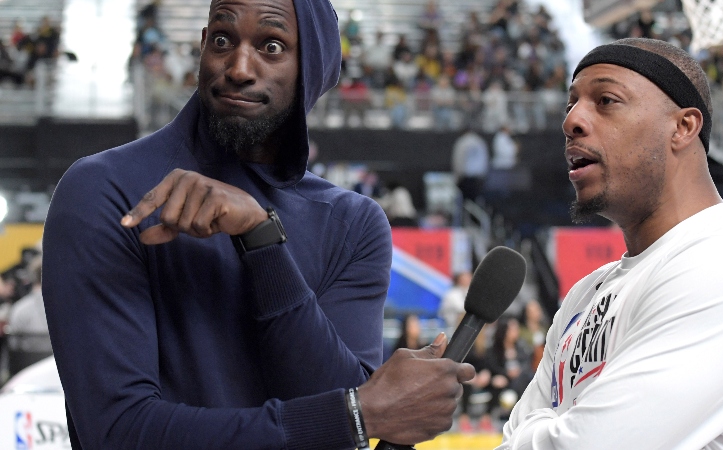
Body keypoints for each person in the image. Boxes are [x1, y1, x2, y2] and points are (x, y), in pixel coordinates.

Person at [42, 1, 474, 449]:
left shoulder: (353, 223)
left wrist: (263, 241)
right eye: (224, 40)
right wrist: (354, 413)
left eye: (271, 46)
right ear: (203, 44)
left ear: (311, 68)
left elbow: (348, 431)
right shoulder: (104, 190)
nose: (239, 68)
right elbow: (117, 434)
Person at [498, 38, 723, 449]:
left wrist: (553, 425)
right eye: (571, 104)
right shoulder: (585, 295)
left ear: (683, 127)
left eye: (605, 100)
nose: (571, 122)